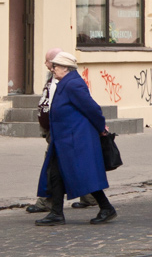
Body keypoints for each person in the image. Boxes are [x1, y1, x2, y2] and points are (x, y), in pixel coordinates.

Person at [35, 51, 117, 225]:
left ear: (65, 67)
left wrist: (101, 127)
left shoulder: (73, 84)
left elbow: (92, 108)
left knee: (83, 175)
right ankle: (56, 213)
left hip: (75, 139)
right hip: (63, 139)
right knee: (56, 175)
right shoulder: (64, 82)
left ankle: (106, 207)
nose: (53, 69)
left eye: (55, 66)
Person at [26, 48, 98, 214]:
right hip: (58, 130)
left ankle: (49, 204)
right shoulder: (55, 78)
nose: (47, 65)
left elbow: (89, 107)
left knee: (55, 168)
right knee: (65, 167)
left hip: (64, 132)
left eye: (49, 62)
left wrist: (101, 127)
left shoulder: (68, 82)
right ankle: (89, 200)